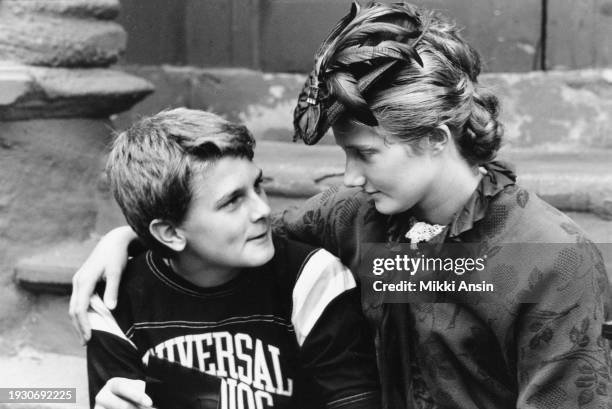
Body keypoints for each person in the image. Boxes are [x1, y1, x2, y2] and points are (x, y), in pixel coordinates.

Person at [71, 2, 612, 409]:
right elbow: (237, 230)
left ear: (435, 138)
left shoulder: (549, 260)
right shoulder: (355, 218)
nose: (350, 176)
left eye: (366, 154)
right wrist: (123, 238)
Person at [84, 108, 380, 409]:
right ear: (170, 233)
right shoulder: (115, 302)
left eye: (257, 186)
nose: (262, 209)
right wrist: (125, 237)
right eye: (232, 201)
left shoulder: (316, 274)